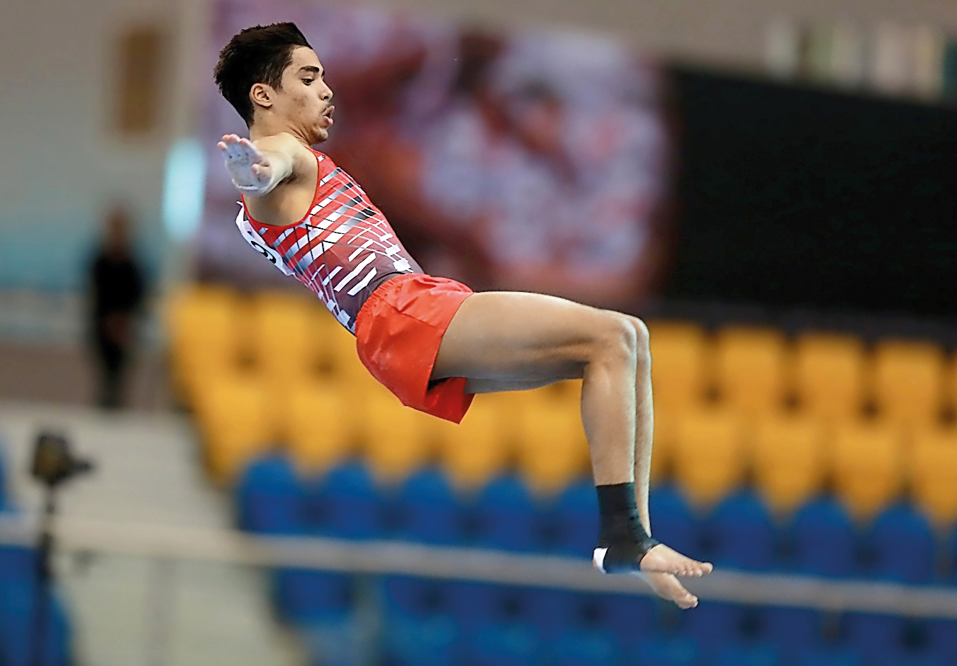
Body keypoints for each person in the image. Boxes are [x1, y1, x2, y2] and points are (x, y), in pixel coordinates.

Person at [213, 22, 712, 609]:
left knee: (627, 339)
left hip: (405, 315)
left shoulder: (302, 163)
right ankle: (622, 536)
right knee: (612, 335)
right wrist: (253, 169)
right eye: (309, 76)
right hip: (403, 310)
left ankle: (632, 535)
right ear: (263, 96)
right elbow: (268, 165)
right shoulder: (286, 153)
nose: (327, 90)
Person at [87, 205, 146, 409]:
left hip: (124, 326)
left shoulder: (132, 263)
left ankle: (115, 402)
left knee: (119, 372)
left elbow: (138, 295)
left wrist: (124, 321)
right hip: (103, 325)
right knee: (106, 370)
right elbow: (95, 296)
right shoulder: (100, 261)